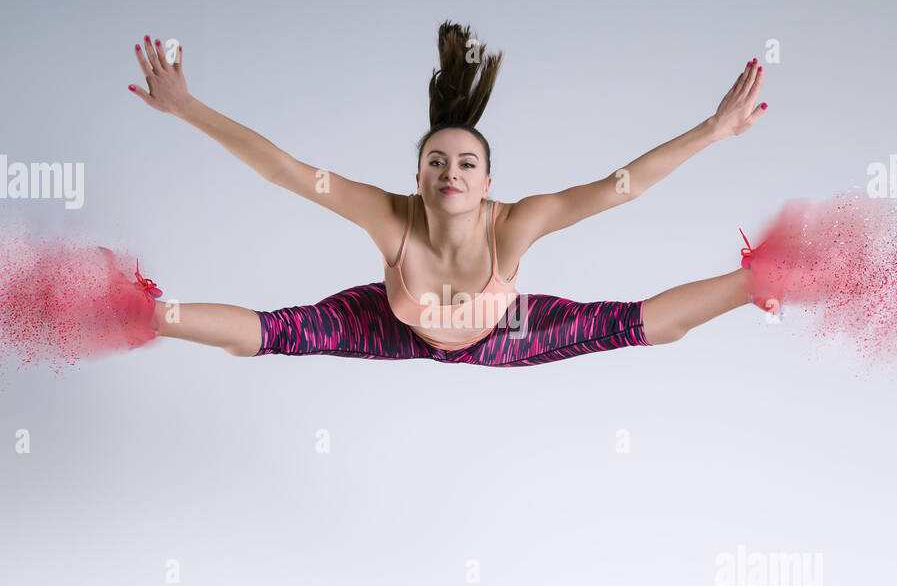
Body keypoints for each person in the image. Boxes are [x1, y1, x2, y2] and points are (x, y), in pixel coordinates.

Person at [120, 22, 777, 365]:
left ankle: (758, 282)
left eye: (466, 162)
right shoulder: (391, 217)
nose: (450, 171)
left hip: (505, 331)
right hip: (393, 323)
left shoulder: (515, 225)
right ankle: (146, 313)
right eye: (436, 161)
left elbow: (618, 190)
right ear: (419, 178)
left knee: (636, 325)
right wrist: (187, 107)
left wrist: (715, 129)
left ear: (487, 182)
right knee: (276, 334)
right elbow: (285, 171)